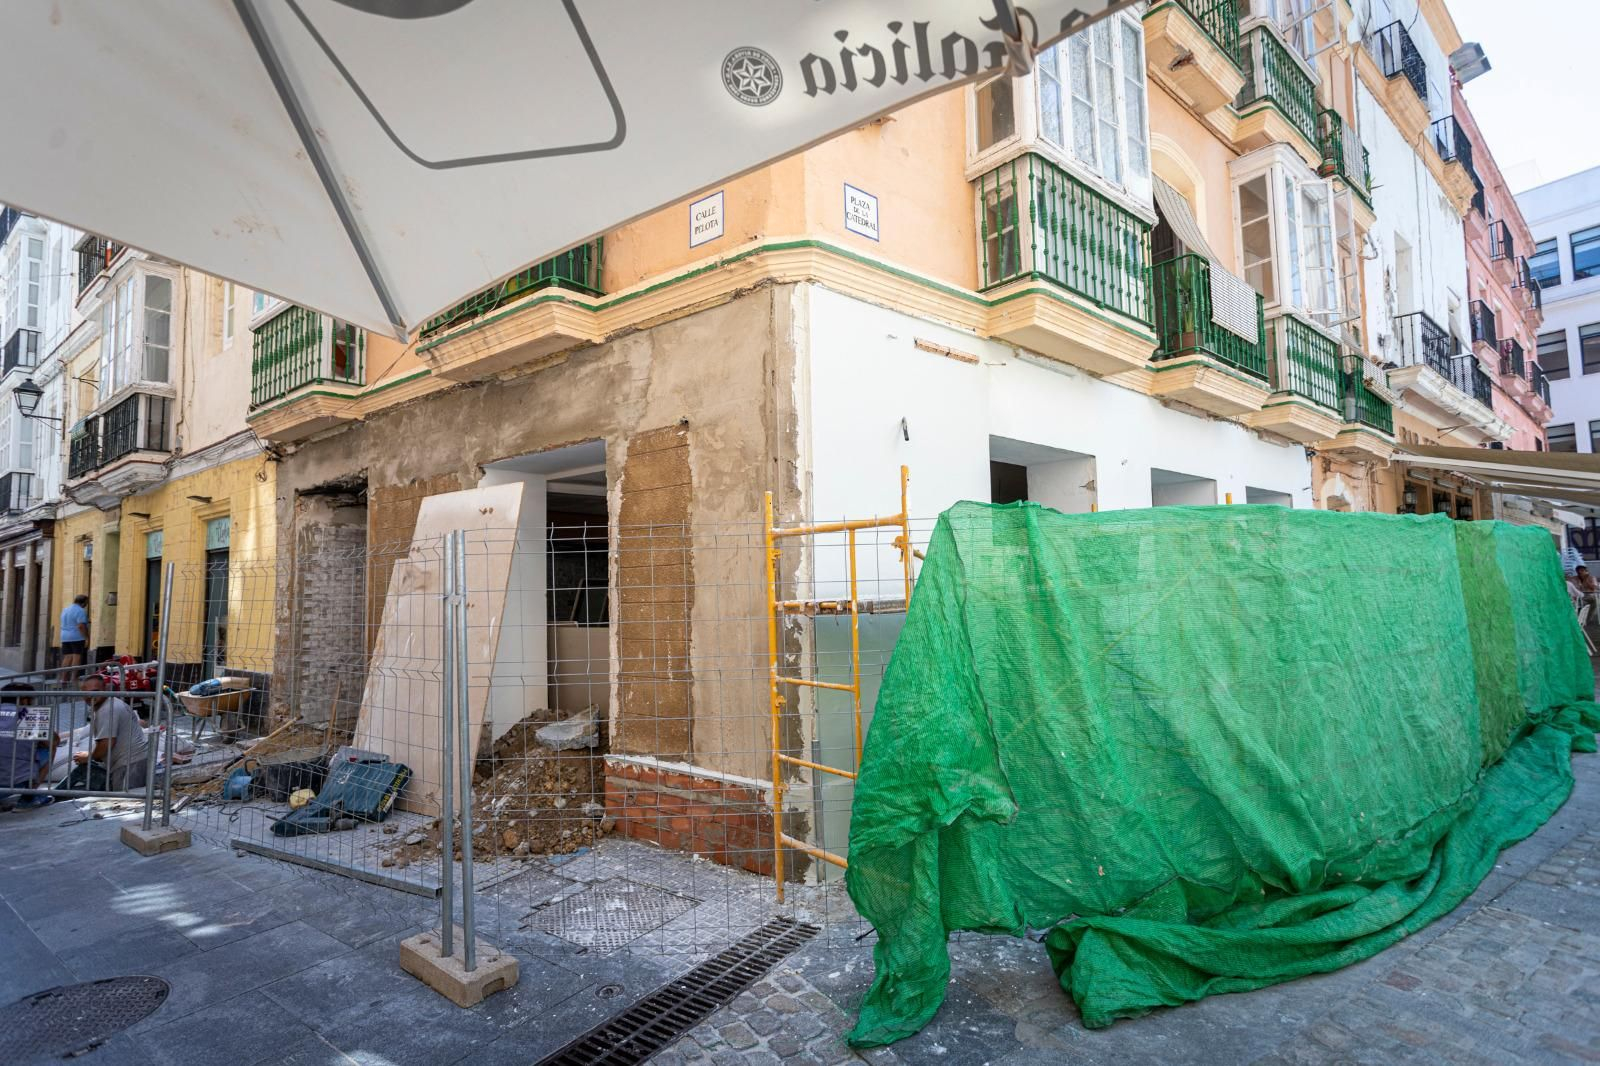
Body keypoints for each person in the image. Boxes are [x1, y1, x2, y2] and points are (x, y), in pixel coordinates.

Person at [72, 674, 147, 792]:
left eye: (95, 691)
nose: (90, 696)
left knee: (126, 802)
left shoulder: (107, 709)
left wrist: (88, 756)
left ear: (105, 689)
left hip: (129, 764)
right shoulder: (109, 704)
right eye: (86, 693)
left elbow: (106, 743)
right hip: (132, 761)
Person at [0, 682, 56, 809]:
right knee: (50, 747)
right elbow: (54, 741)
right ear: (25, 700)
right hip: (12, 785)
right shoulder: (29, 714)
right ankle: (28, 797)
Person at [59, 594, 89, 675]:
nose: (86, 605)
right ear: (83, 603)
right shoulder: (80, 611)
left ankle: (63, 679)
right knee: (77, 657)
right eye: (86, 603)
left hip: (64, 636)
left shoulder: (65, 609)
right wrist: (86, 637)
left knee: (67, 657)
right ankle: (73, 678)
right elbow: (81, 626)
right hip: (76, 637)